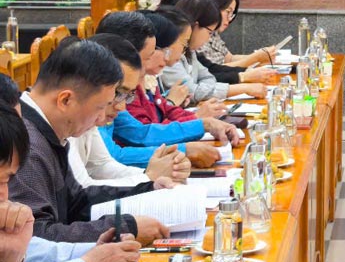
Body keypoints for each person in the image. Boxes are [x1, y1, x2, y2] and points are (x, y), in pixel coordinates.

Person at [7, 40, 169, 244]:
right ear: (65, 100)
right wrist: (124, 227)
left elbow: (77, 202)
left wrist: (147, 190)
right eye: (100, 107)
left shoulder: (47, 131)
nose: (101, 119)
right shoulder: (26, 144)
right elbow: (36, 238)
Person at [0, 105, 142, 262]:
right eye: (100, 106)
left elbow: (33, 249)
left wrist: (95, 251)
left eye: (5, 181)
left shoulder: (51, 139)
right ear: (65, 100)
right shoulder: (34, 145)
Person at [94, 15, 238, 169]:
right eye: (148, 56)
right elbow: (111, 158)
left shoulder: (120, 92)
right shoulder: (97, 93)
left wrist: (204, 124)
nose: (122, 106)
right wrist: (182, 151)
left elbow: (139, 133)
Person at [69, 34, 190, 188]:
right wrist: (149, 178)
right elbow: (81, 191)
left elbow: (101, 165)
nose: (122, 107)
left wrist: (151, 178)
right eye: (118, 93)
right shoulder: (71, 116)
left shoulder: (87, 115)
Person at [161, 0, 267, 103]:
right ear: (195, 25)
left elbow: (208, 76)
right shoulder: (169, 54)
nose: (209, 38)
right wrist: (244, 85)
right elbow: (193, 91)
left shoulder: (189, 51)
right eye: (209, 32)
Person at [130, 11, 224, 121]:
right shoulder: (129, 85)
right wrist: (196, 118)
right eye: (164, 50)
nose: (166, 57)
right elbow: (146, 131)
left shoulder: (149, 77)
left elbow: (163, 112)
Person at [199, 0, 278, 72]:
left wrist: (262, 57)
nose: (229, 19)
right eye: (227, 12)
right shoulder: (198, 33)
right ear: (213, 7)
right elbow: (215, 71)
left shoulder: (214, 32)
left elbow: (230, 59)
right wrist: (255, 58)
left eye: (232, 14)